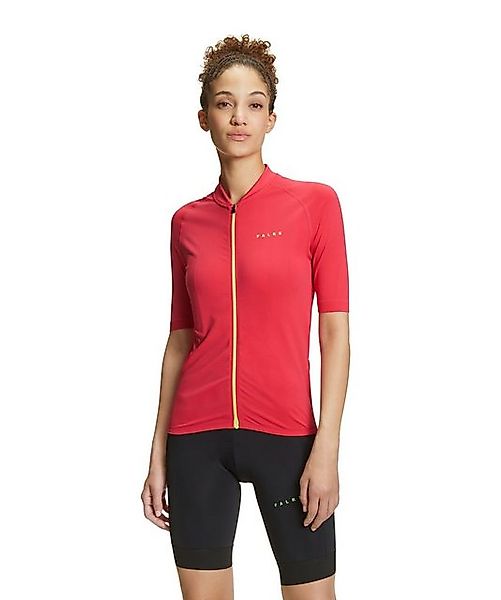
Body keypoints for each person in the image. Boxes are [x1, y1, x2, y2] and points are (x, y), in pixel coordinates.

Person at [141, 33, 350, 600]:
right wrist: (158, 453)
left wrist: (327, 447)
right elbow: (179, 339)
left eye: (254, 104)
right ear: (203, 117)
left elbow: (334, 333)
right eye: (224, 103)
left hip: (288, 437)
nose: (239, 117)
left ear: (271, 119)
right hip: (196, 438)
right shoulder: (186, 222)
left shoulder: (315, 204)